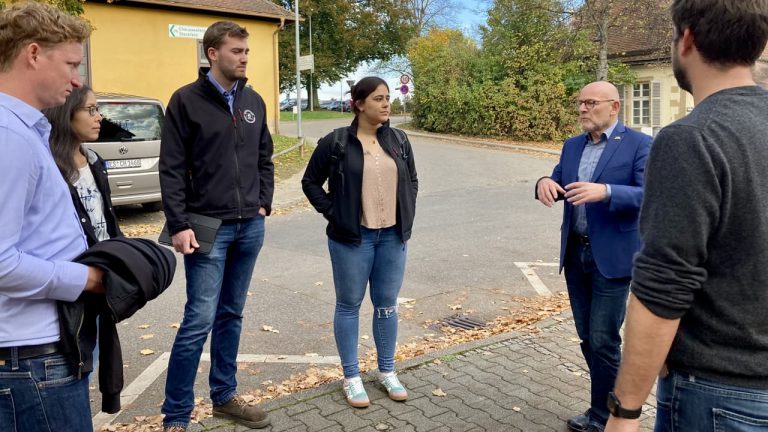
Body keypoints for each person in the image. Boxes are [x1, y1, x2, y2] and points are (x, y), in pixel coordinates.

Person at [606, 1, 768, 431]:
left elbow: (664, 287)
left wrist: (624, 411)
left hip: (719, 394)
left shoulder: (692, 138)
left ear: (688, 39)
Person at [159, 20, 274, 432]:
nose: (244, 58)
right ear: (212, 54)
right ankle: (175, 415)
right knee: (198, 319)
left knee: (232, 314)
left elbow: (264, 156)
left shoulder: (254, 100)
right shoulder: (185, 101)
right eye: (236, 51)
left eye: (246, 52)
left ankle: (224, 396)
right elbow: (171, 168)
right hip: (207, 226)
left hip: (249, 227)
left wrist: (264, 204)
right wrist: (178, 223)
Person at [0, 3, 104, 431]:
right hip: (33, 359)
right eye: (72, 64)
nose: (78, 80)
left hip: (33, 352)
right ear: (34, 53)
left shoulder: (23, 129)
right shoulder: (10, 137)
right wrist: (90, 279)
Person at [535, 81, 651, 431]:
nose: (582, 109)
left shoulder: (639, 145)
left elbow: (651, 194)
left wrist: (608, 191)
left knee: (603, 339)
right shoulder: (572, 146)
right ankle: (605, 404)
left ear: (614, 107)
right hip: (576, 255)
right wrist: (543, 180)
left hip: (612, 258)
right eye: (580, 103)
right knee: (587, 336)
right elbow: (557, 181)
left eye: (590, 103)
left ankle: (610, 415)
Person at [302, 76, 419, 408]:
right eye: (379, 99)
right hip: (353, 238)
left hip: (393, 237)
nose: (387, 104)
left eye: (388, 98)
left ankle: (386, 371)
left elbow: (411, 178)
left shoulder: (399, 139)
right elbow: (310, 182)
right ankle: (352, 377)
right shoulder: (337, 142)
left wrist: (407, 211)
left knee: (386, 305)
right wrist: (334, 212)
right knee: (349, 304)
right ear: (359, 104)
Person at [43, 85, 122, 247]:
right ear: (66, 113)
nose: (99, 117)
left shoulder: (94, 160)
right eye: (91, 109)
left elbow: (107, 215)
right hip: (76, 265)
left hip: (105, 256)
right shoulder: (48, 166)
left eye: (98, 109)